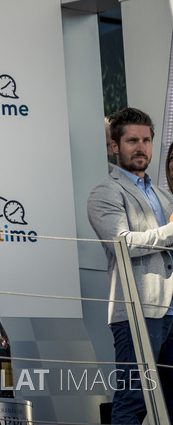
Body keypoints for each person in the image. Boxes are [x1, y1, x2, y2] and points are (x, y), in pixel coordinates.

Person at [88, 107, 173, 422]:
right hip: (138, 311)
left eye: (147, 140)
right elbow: (122, 244)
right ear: (114, 146)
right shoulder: (104, 192)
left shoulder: (166, 196)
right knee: (133, 402)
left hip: (172, 311)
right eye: (132, 140)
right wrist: (170, 231)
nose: (141, 148)